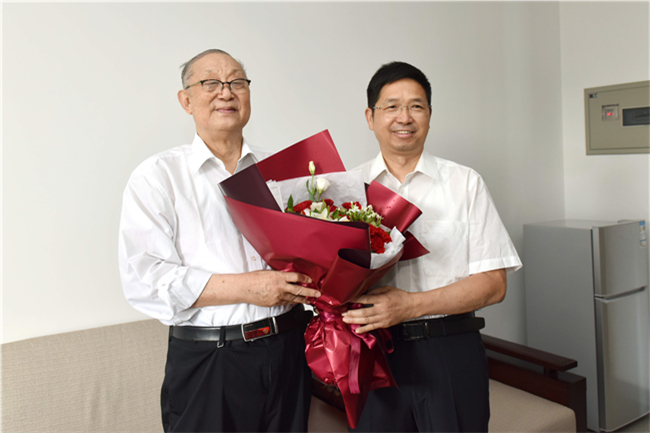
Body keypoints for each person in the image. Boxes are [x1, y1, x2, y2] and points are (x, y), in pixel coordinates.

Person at [118, 49, 320, 432]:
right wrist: (248, 288)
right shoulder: (158, 176)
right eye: (210, 82)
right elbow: (146, 279)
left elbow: (312, 250)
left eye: (237, 82)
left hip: (289, 349)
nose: (226, 92)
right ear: (186, 100)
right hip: (211, 358)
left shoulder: (283, 170)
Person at [342, 61, 522, 432]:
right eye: (391, 106)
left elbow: (494, 284)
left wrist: (408, 306)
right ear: (370, 117)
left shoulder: (465, 183)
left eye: (416, 106)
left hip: (449, 350)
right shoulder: (345, 189)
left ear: (429, 115)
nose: (404, 117)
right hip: (373, 351)